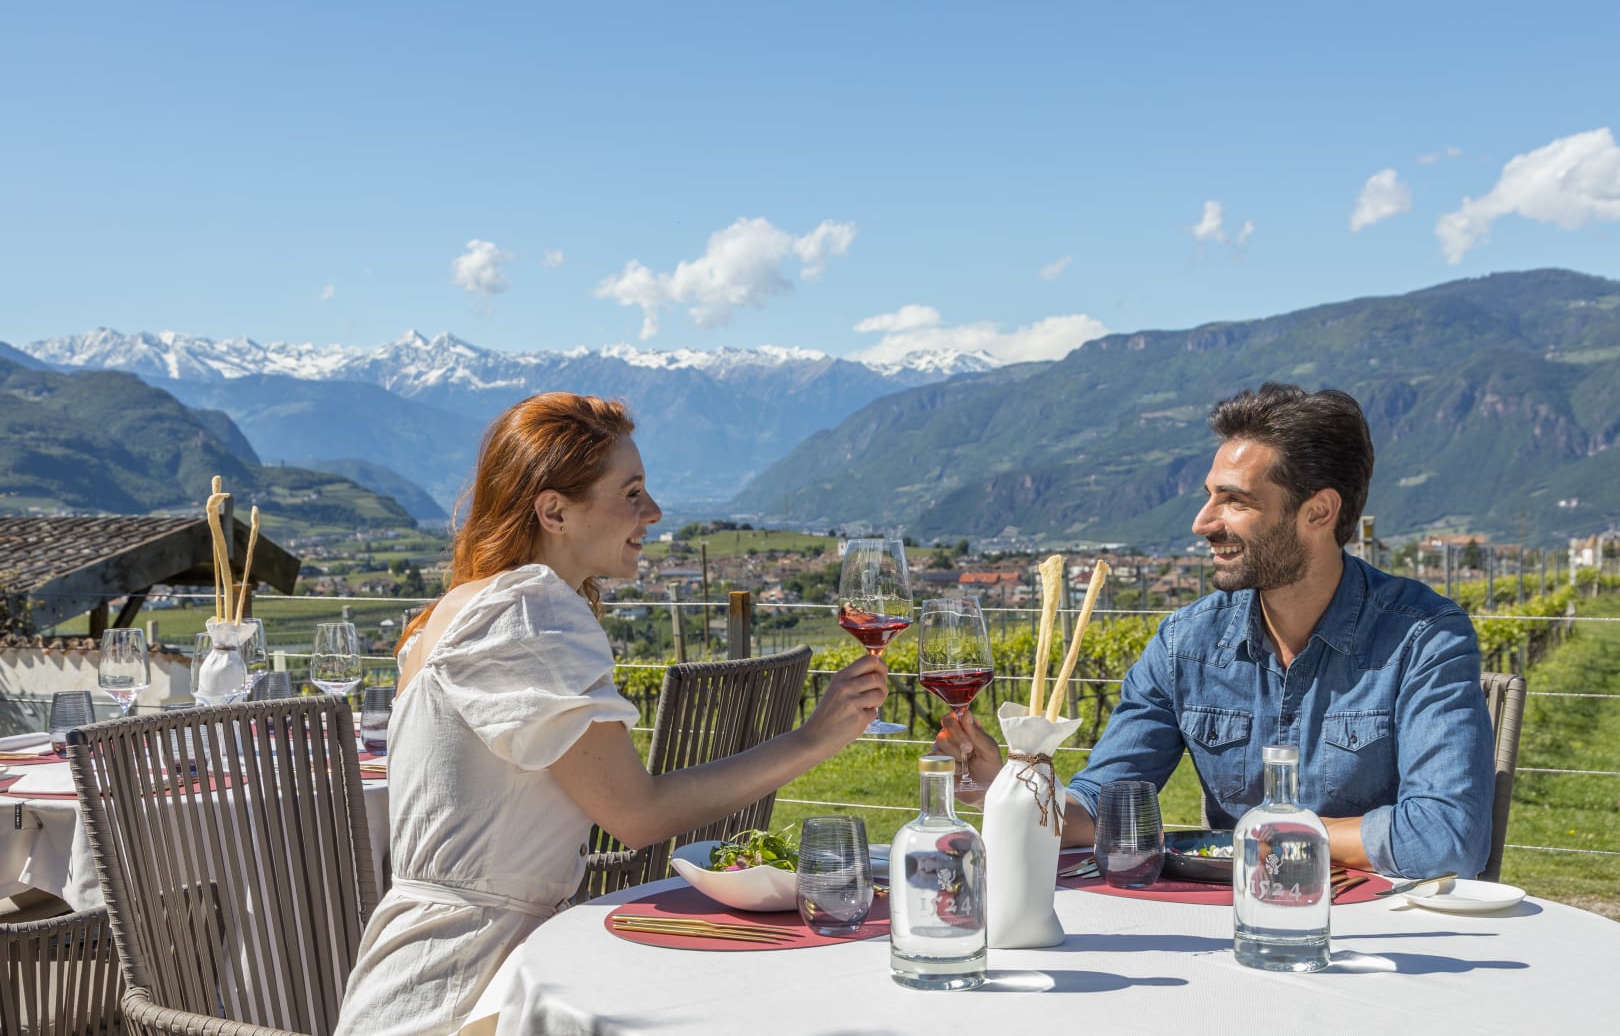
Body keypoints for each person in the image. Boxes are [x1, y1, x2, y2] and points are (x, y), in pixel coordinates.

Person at [337, 392, 887, 1035]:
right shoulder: (527, 611)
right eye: (631, 493)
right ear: (554, 512)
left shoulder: (468, 605)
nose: (653, 512)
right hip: (467, 984)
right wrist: (812, 740)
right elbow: (637, 814)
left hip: (419, 970)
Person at [939, 382, 1496, 880]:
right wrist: (1012, 792)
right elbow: (1099, 810)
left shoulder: (1424, 638)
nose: (1203, 522)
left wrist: (1268, 835)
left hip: (1382, 935)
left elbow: (1447, 839)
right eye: (1210, 495)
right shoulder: (1184, 645)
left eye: (1234, 500)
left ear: (1319, 512)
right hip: (1229, 929)